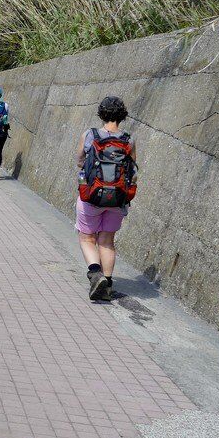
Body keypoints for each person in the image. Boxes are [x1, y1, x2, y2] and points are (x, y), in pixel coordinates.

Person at [78, 96, 138, 302]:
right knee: (107, 240)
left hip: (91, 196)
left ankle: (95, 274)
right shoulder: (129, 140)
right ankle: (108, 285)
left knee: (87, 238)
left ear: (101, 114)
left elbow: (79, 161)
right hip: (118, 198)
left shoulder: (90, 135)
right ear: (122, 115)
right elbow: (133, 169)